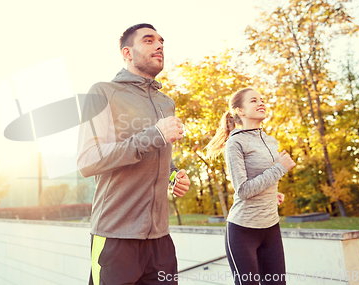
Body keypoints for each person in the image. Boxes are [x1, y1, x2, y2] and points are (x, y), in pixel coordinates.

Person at [77, 23, 191, 285]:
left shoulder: (166, 102)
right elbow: (88, 159)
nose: (159, 45)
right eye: (149, 40)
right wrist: (155, 135)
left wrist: (173, 176)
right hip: (116, 237)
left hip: (160, 240)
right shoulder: (103, 92)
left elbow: (157, 154)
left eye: (161, 41)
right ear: (127, 53)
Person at [205, 87, 296, 285]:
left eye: (262, 99)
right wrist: (280, 168)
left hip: (271, 227)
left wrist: (273, 193)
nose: (261, 103)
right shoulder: (235, 143)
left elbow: (264, 179)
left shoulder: (272, 142)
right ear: (240, 111)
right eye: (254, 100)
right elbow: (244, 190)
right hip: (243, 231)